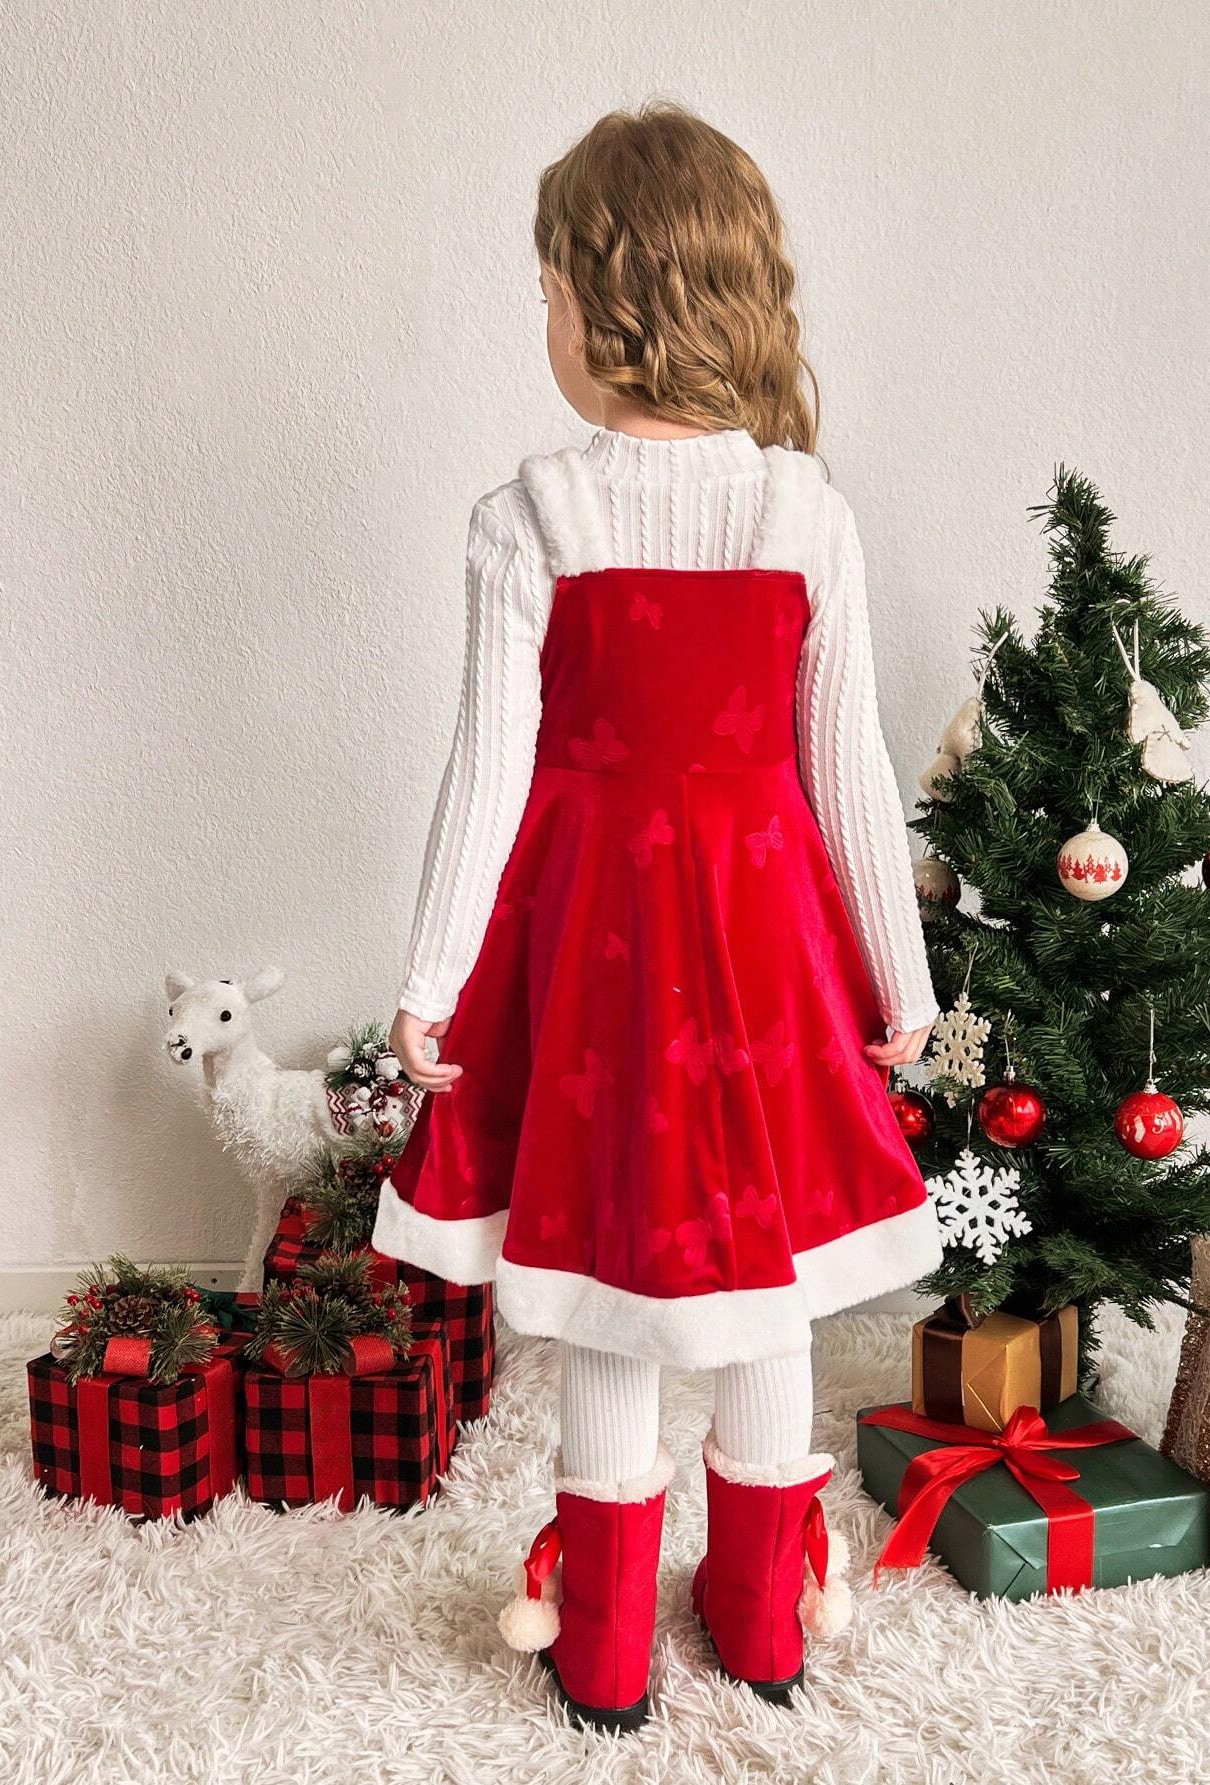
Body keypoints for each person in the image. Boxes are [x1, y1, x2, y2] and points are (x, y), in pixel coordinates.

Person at [379, 102, 940, 1734]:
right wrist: (898, 979)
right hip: (767, 951)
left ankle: (607, 1640)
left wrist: (431, 977)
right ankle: (764, 1617)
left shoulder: (531, 516)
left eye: (550, 290)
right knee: (761, 1266)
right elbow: (849, 772)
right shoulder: (803, 512)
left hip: (598, 952)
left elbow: (486, 771)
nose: (543, 319)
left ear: (608, 307)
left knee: (612, 1257)